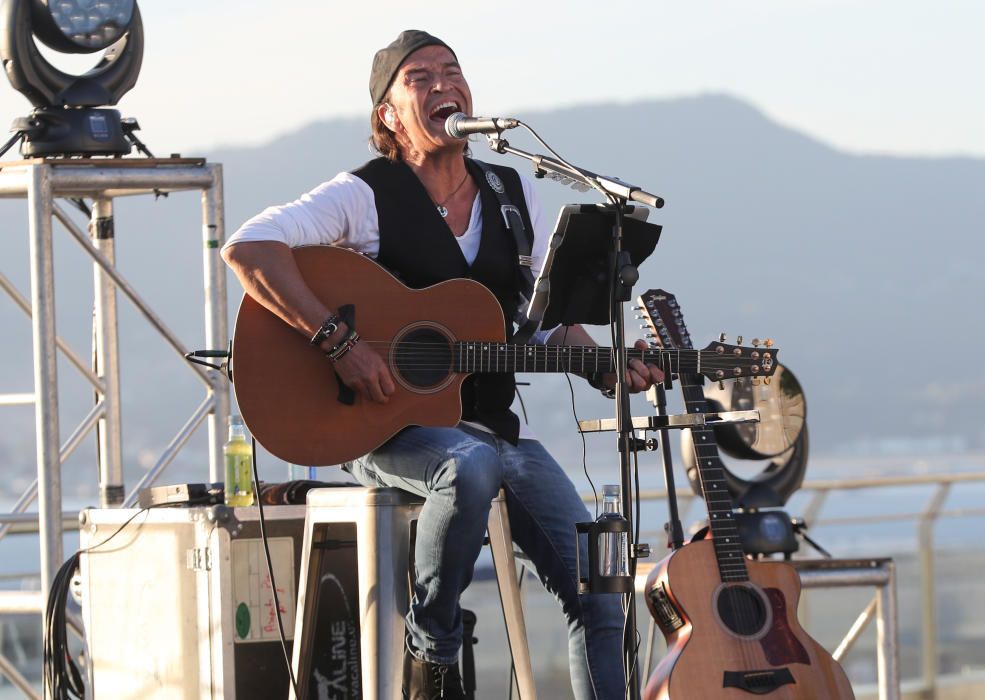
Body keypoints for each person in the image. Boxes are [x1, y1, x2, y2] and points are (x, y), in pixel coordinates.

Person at [222, 30, 662, 700]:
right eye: (419, 78)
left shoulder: (513, 193)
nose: (442, 85)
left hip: (488, 430)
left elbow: (536, 326)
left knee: (599, 592)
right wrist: (339, 344)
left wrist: (600, 365)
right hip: (382, 431)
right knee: (468, 464)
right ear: (388, 116)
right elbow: (249, 248)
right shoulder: (364, 195)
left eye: (451, 72)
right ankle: (432, 654)